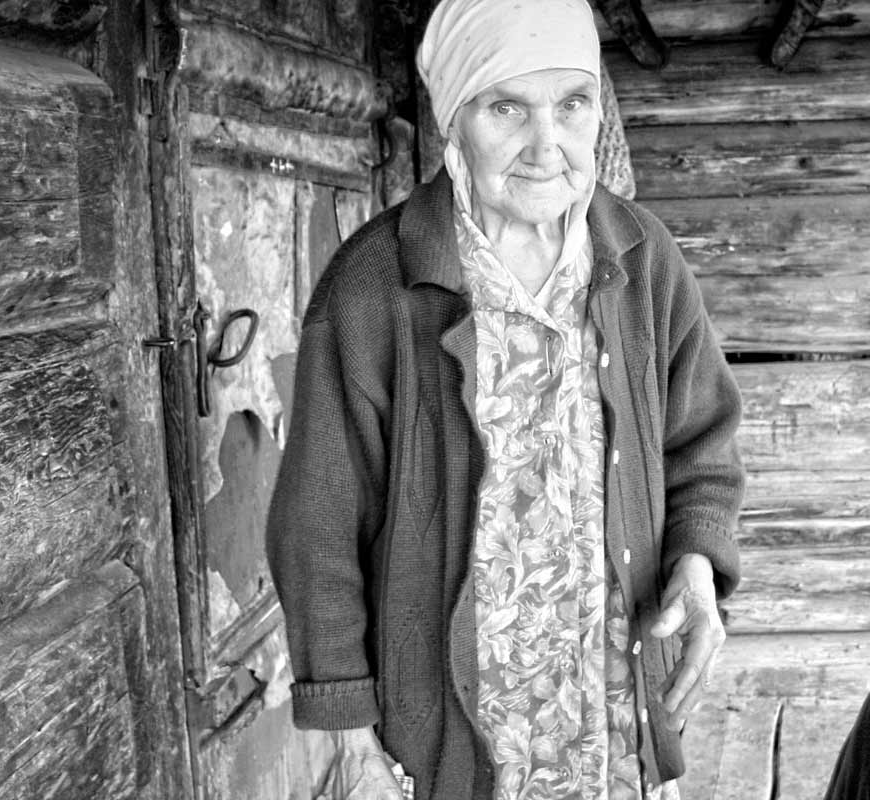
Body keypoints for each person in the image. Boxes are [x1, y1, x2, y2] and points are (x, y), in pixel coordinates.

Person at [266, 0, 745, 796]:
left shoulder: (641, 259)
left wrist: (696, 567)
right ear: (453, 125)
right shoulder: (374, 286)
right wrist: (351, 736)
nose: (544, 144)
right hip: (454, 742)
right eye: (506, 108)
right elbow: (318, 525)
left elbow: (700, 440)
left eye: (571, 104)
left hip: (619, 723)